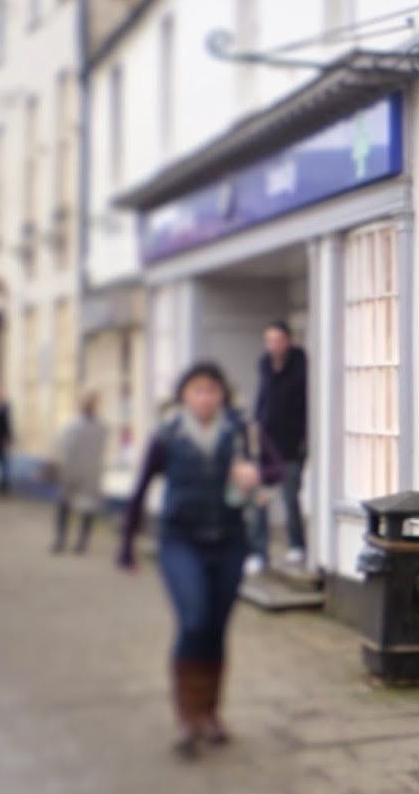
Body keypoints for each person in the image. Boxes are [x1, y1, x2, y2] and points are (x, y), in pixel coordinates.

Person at [118, 362, 276, 758]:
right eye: (197, 390)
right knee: (194, 619)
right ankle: (187, 717)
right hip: (180, 542)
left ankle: (210, 714)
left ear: (222, 395)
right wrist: (126, 542)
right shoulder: (167, 435)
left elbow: (277, 466)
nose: (205, 398)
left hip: (230, 542)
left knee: (217, 628)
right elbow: (140, 488)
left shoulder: (240, 431)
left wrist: (255, 474)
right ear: (184, 396)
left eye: (212, 390)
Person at [248, 320, 308, 575]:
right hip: (266, 443)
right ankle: (258, 552)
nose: (273, 345)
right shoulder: (264, 365)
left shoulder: (301, 366)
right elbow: (262, 398)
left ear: (288, 341)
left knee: (289, 496)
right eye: (269, 340)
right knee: (258, 497)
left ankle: (296, 544)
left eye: (277, 340)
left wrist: (304, 439)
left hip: (292, 443)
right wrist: (255, 425)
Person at [52, 392, 109, 554]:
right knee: (82, 508)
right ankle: (77, 542)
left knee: (69, 506)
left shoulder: (74, 426)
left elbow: (61, 445)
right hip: (86, 472)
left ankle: (64, 541)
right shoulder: (100, 428)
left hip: (75, 471)